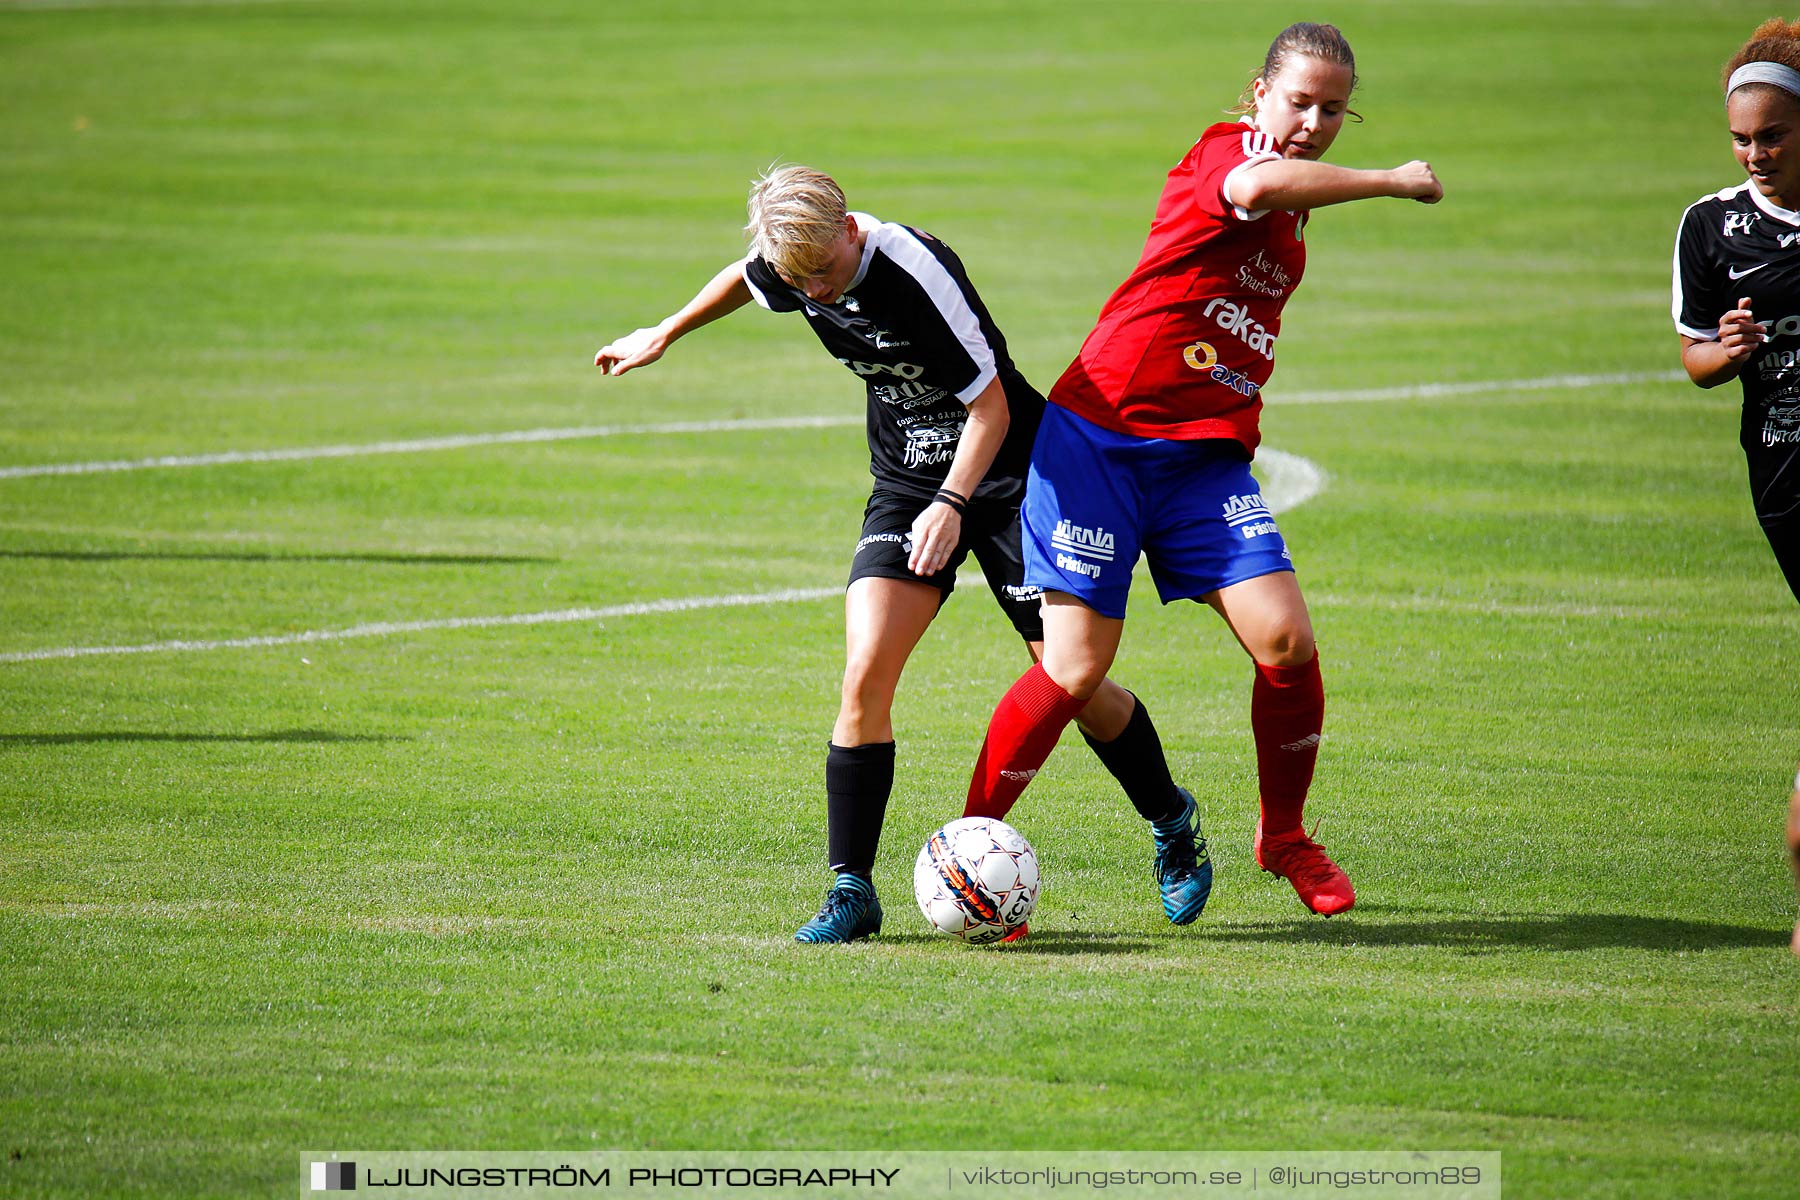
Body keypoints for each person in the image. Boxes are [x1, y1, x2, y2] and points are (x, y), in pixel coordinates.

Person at [594, 165, 1210, 942]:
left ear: (849, 230)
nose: (812, 294)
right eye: (796, 280)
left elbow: (988, 405)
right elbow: (742, 278)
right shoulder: (796, 264)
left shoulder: (914, 272)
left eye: (821, 274)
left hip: (1013, 474)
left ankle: (1171, 817)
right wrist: (664, 332)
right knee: (865, 674)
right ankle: (851, 890)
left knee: (1068, 682)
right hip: (905, 478)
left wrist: (954, 506)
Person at [959, 22, 1442, 917]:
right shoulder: (1231, 154)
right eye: (1298, 101)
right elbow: (1259, 181)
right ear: (1258, 93)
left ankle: (1285, 836)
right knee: (1073, 669)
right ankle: (966, 849)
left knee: (1287, 642)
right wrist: (1390, 180)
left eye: (1334, 110)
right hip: (1100, 439)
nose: (1313, 122)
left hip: (1202, 458)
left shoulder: (1294, 205)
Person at [1673, 18, 1800, 604]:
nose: (1755, 155)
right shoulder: (1709, 226)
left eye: (1773, 135)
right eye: (1741, 139)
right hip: (1783, 458)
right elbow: (1696, 361)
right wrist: (1726, 351)